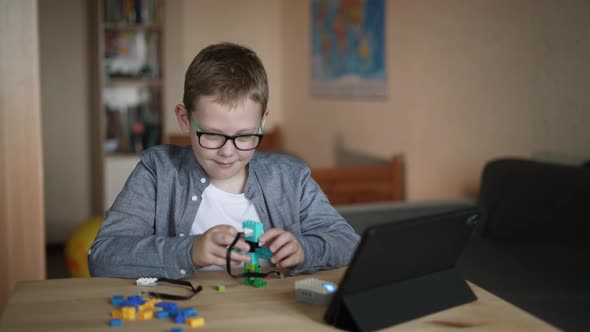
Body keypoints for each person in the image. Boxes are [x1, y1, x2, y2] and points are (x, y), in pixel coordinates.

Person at [88, 42, 360, 279]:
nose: (228, 152)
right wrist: (189, 252)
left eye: (244, 136)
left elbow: (348, 242)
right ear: (185, 120)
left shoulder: (292, 178)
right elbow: (103, 256)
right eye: (213, 135)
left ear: (262, 122)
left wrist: (305, 250)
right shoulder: (158, 172)